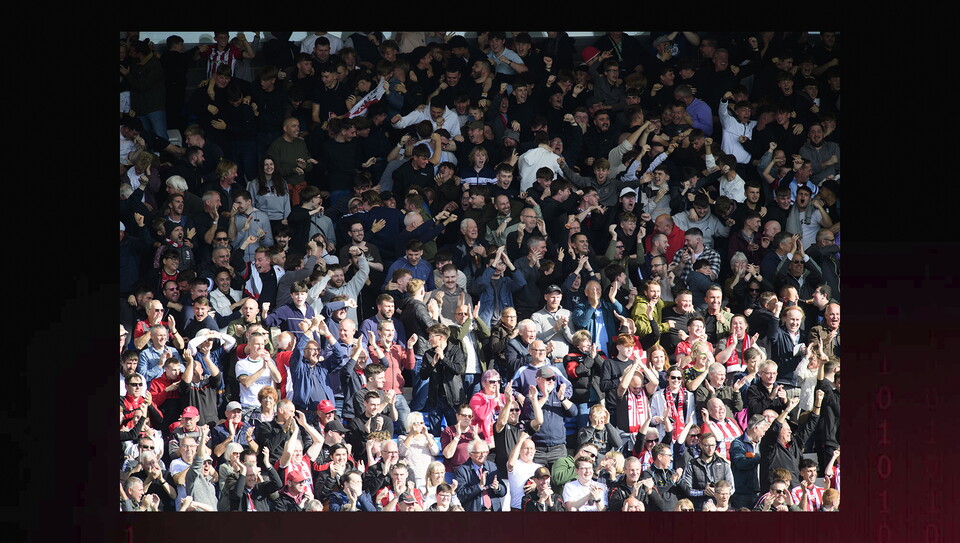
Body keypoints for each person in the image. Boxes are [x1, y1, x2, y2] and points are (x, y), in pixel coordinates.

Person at [679, 432, 734, 510]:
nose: (710, 448)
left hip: (721, 508)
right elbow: (687, 490)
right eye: (707, 445)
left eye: (712, 445)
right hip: (699, 507)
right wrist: (703, 492)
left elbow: (732, 488)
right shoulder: (691, 464)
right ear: (701, 445)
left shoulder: (724, 464)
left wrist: (717, 493)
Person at [454, 440, 506, 511]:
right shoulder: (462, 470)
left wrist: (497, 487)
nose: (482, 455)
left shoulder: (492, 466)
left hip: (494, 510)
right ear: (470, 454)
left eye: (485, 452)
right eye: (479, 452)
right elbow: (461, 495)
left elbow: (503, 491)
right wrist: (479, 486)